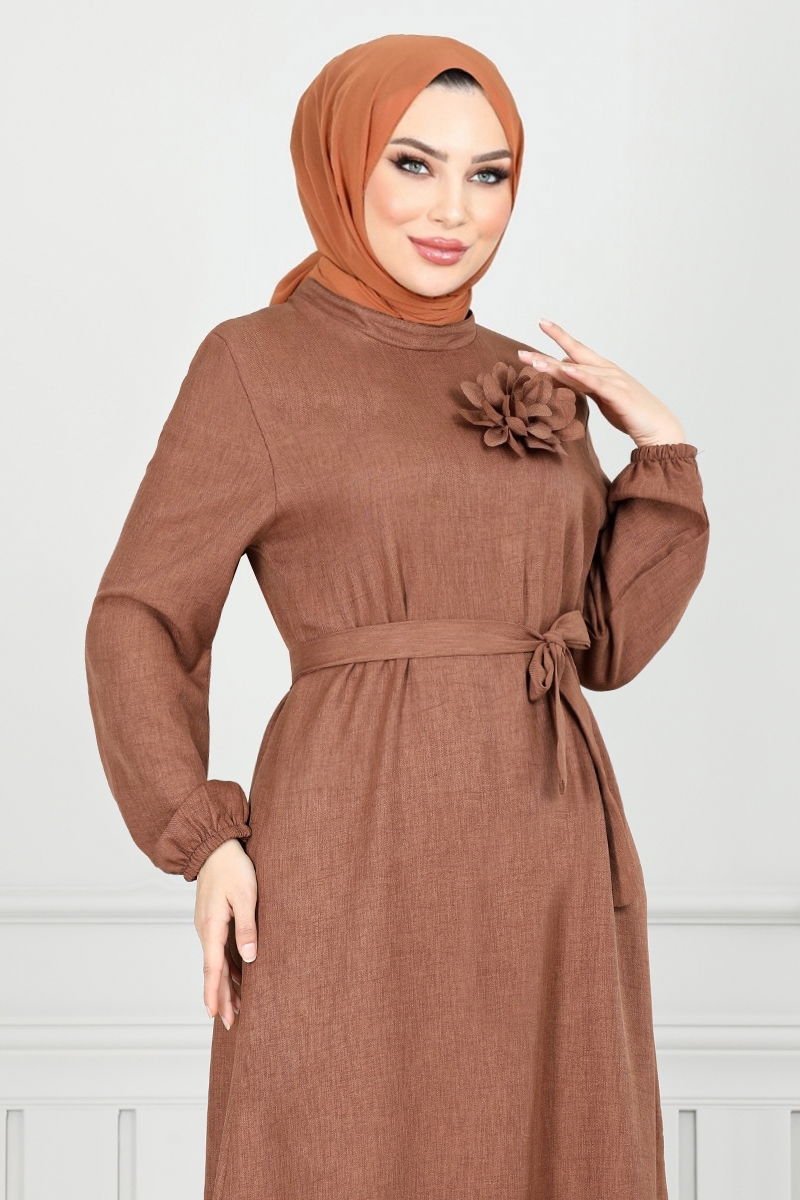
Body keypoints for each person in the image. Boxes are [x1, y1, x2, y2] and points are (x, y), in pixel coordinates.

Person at [84, 32, 709, 1200]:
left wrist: (659, 449)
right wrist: (201, 834)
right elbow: (138, 615)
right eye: (412, 164)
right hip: (350, 840)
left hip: (546, 849)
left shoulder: (535, 385)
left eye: (488, 173)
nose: (452, 210)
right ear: (340, 165)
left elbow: (604, 644)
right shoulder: (255, 364)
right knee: (339, 1134)